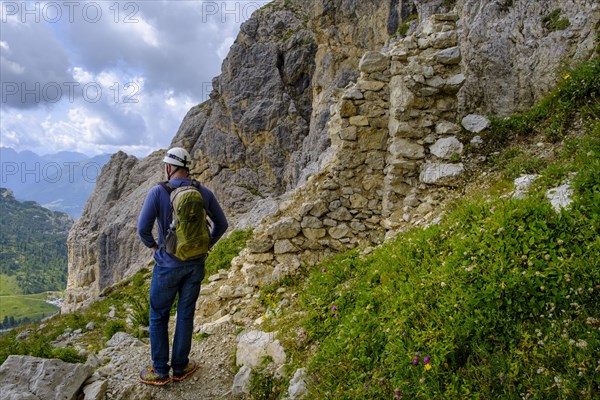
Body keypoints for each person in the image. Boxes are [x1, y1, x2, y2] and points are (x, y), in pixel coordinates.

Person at [137, 147, 228, 385]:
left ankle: (159, 370)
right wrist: (207, 245)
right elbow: (222, 224)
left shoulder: (158, 192)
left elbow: (142, 229)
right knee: (185, 314)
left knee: (158, 315)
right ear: (187, 167)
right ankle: (180, 367)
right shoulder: (203, 191)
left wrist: (155, 247)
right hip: (195, 264)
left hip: (167, 265)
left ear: (169, 167)